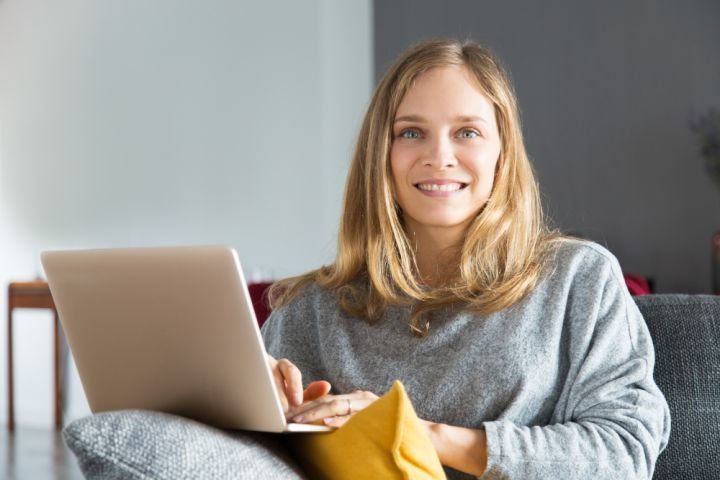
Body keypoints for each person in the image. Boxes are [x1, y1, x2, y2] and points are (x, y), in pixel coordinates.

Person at [261, 38, 670, 479]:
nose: (439, 157)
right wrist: (251, 412)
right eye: (411, 133)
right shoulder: (309, 310)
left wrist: (420, 435)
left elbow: (625, 454)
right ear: (380, 154)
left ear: (502, 153)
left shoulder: (578, 279)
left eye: (467, 132)